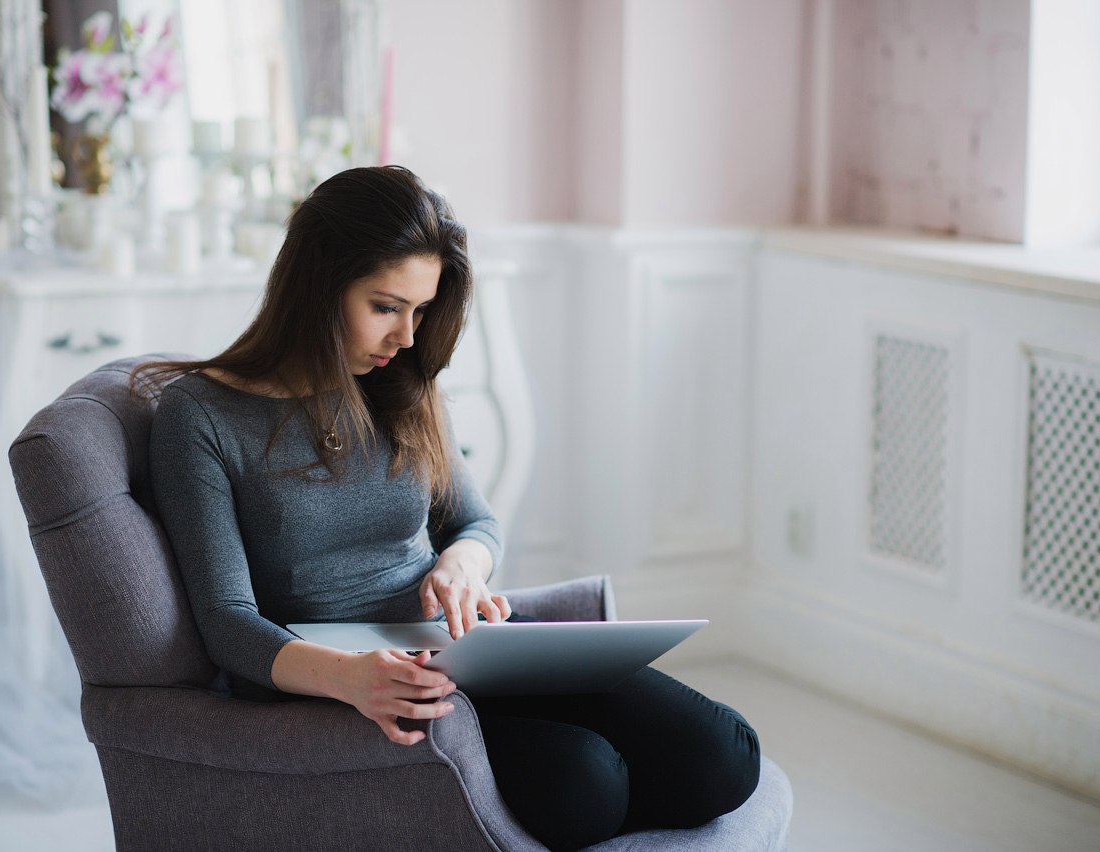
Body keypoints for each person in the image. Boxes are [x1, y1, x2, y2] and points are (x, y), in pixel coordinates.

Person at [142, 165, 761, 850]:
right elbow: (226, 620)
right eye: (385, 306)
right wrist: (350, 678)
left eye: (421, 310)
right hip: (347, 678)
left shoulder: (398, 383)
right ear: (315, 287)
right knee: (585, 783)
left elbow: (476, 524)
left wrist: (462, 568)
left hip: (460, 644)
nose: (407, 337)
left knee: (726, 756)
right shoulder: (198, 414)